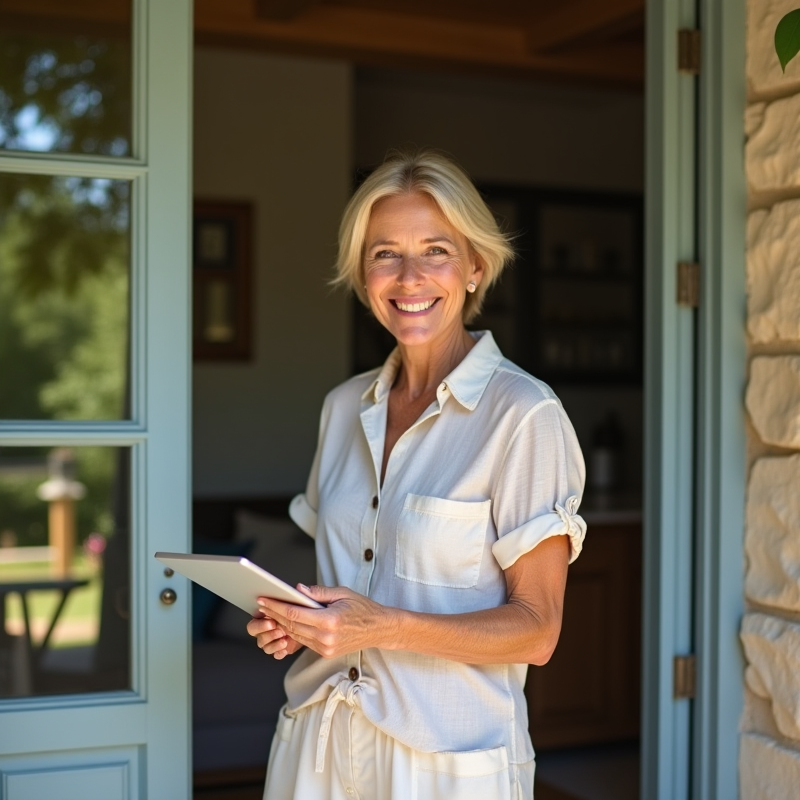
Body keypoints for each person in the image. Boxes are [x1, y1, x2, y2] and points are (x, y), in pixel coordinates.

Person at [248, 148, 586, 800]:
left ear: (474, 267)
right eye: (384, 254)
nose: (408, 277)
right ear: (361, 274)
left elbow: (539, 630)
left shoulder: (523, 414)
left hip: (444, 765)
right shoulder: (343, 407)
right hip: (318, 744)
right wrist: (301, 621)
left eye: (435, 250)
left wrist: (383, 627)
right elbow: (349, 582)